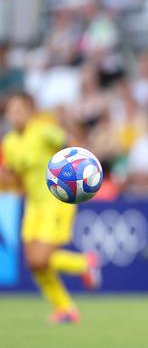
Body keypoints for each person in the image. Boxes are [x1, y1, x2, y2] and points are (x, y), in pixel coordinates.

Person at [0, 91, 101, 324]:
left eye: (19, 110)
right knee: (33, 263)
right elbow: (17, 179)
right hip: (34, 205)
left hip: (55, 200)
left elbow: (74, 148)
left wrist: (80, 175)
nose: (15, 115)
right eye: (10, 111)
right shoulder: (9, 142)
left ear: (30, 111)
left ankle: (85, 263)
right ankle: (65, 309)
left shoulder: (43, 131)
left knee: (41, 259)